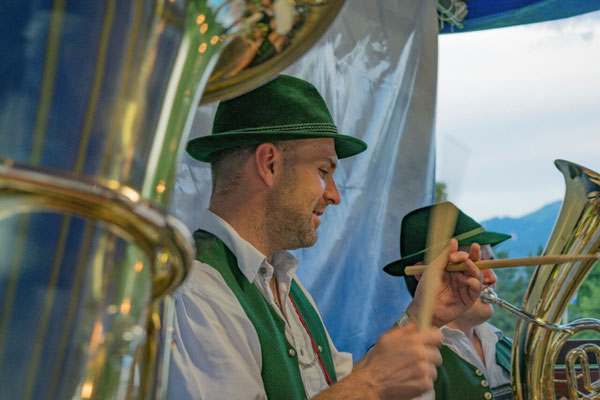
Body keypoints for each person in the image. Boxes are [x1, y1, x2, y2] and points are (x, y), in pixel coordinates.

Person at [168, 75, 483, 399]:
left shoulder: (283, 280)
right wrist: (371, 385)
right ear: (270, 164)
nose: (334, 195)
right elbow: (359, 387)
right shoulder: (195, 289)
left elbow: (335, 388)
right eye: (323, 171)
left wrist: (424, 314)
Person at [384, 202, 513, 400]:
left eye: (491, 262)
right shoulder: (399, 363)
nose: (491, 278)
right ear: (425, 274)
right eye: (476, 264)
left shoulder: (511, 349)